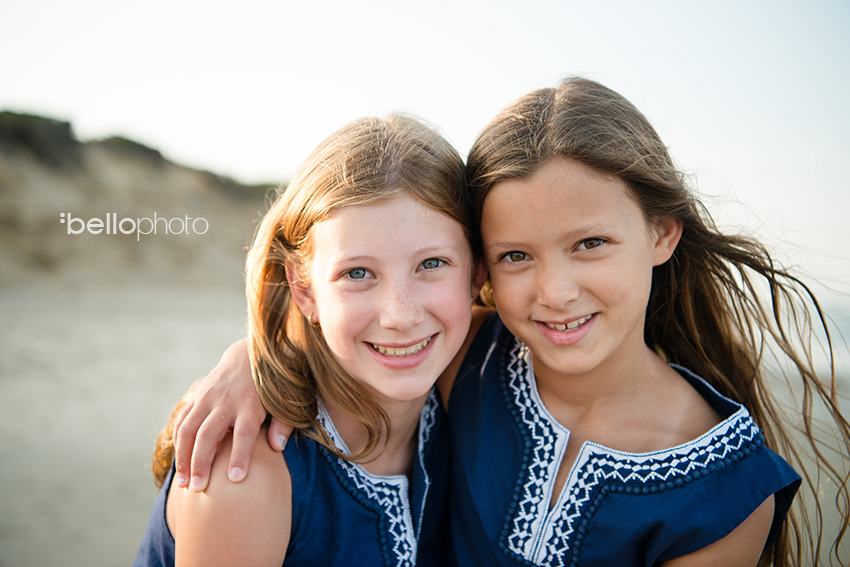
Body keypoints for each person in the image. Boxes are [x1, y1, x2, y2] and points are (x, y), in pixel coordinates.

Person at [168, 78, 850, 565]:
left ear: (663, 233)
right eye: (517, 255)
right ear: (486, 273)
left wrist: (255, 358)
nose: (554, 292)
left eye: (590, 243)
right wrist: (254, 362)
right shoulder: (472, 355)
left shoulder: (726, 497)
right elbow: (359, 313)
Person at [134, 114, 486, 566]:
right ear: (304, 291)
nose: (400, 316)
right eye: (357, 273)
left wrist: (249, 356)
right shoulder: (248, 472)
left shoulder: (476, 375)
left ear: (476, 273)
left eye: (432, 264)